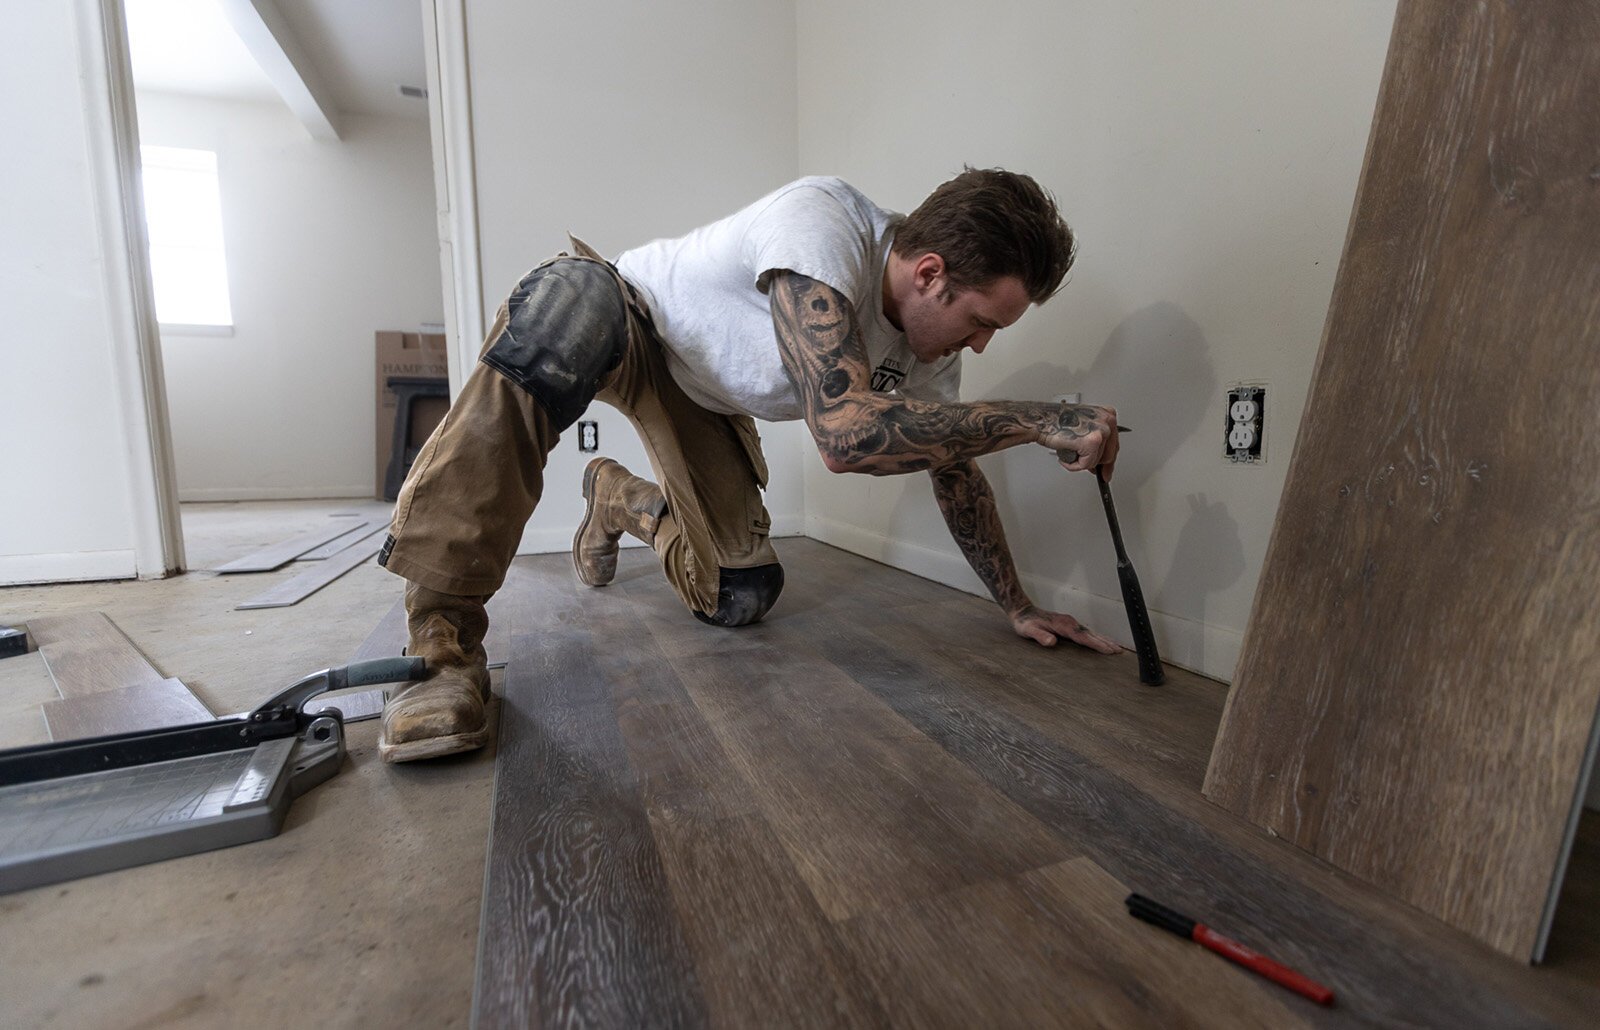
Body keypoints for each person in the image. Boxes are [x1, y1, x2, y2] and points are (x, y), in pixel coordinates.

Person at [374, 168, 1122, 763]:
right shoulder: (827, 221)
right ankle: (438, 643)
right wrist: (1041, 419)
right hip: (630, 318)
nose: (982, 344)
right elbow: (843, 434)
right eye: (982, 322)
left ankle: (616, 499)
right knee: (563, 310)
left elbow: (955, 469)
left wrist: (1017, 605)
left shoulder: (928, 358)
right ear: (930, 274)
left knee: (740, 592)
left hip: (700, 396)